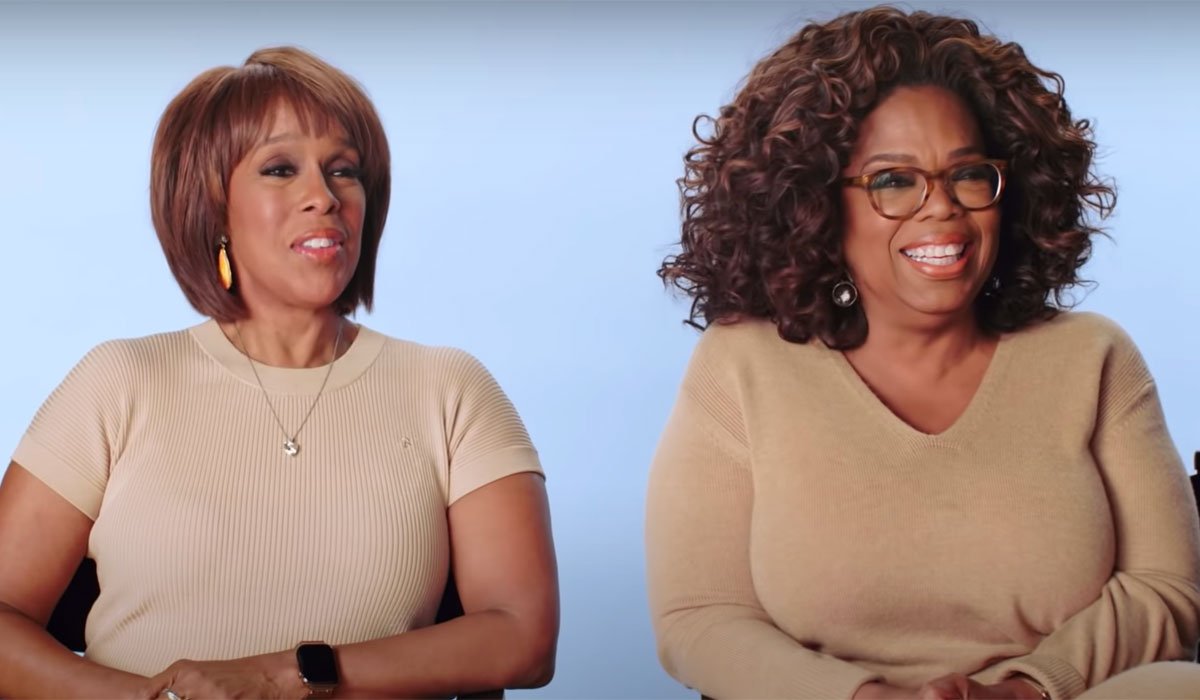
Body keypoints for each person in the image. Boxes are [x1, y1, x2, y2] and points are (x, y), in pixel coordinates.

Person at [646, 7, 1200, 700]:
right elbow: (700, 617)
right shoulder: (742, 367)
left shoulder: (1094, 358)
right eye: (893, 181)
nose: (940, 209)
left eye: (968, 175)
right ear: (817, 203)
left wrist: (1026, 689)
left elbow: (1165, 589)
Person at [0, 46, 558, 699]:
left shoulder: (451, 389)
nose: (323, 197)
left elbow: (523, 637)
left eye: (343, 170)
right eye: (280, 168)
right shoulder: (118, 382)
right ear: (213, 208)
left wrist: (287, 675)